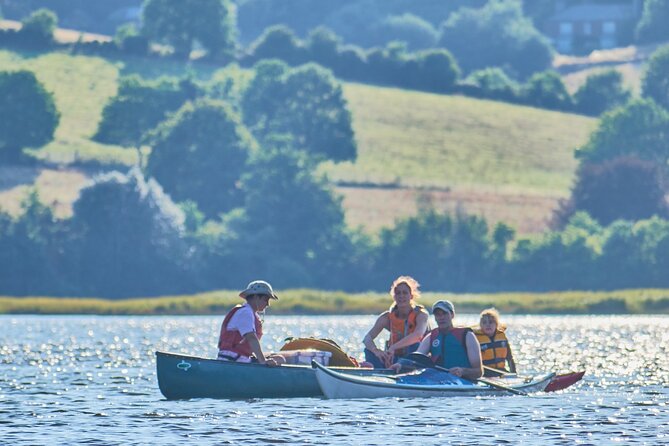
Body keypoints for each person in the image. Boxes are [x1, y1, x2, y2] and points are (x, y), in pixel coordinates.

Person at [399, 300, 482, 380]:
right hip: (437, 379)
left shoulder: (467, 335)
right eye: (438, 314)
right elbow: (417, 358)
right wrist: (400, 364)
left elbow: (478, 372)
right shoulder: (431, 336)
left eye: (445, 314)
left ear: (452, 315)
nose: (441, 317)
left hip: (462, 380)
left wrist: (463, 371)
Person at [362, 276, 430, 368]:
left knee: (414, 345)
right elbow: (367, 338)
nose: (401, 296)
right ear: (394, 296)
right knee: (368, 350)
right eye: (398, 293)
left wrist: (394, 347)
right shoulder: (386, 317)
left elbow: (418, 335)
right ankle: (379, 369)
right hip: (394, 358)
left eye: (405, 293)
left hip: (413, 359)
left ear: (411, 296)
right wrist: (376, 351)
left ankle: (401, 368)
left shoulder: (421, 315)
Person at [217, 280, 285, 366]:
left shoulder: (250, 313)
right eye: (266, 299)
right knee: (279, 360)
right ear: (256, 297)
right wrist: (263, 362)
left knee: (279, 359)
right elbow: (251, 337)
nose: (268, 304)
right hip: (233, 359)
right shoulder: (246, 312)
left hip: (239, 358)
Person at [474, 307, 516, 377]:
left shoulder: (502, 337)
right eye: (484, 322)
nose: (488, 325)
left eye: (491, 322)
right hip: (484, 373)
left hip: (500, 371)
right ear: (481, 325)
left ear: (496, 324)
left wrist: (514, 374)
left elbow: (509, 358)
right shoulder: (475, 339)